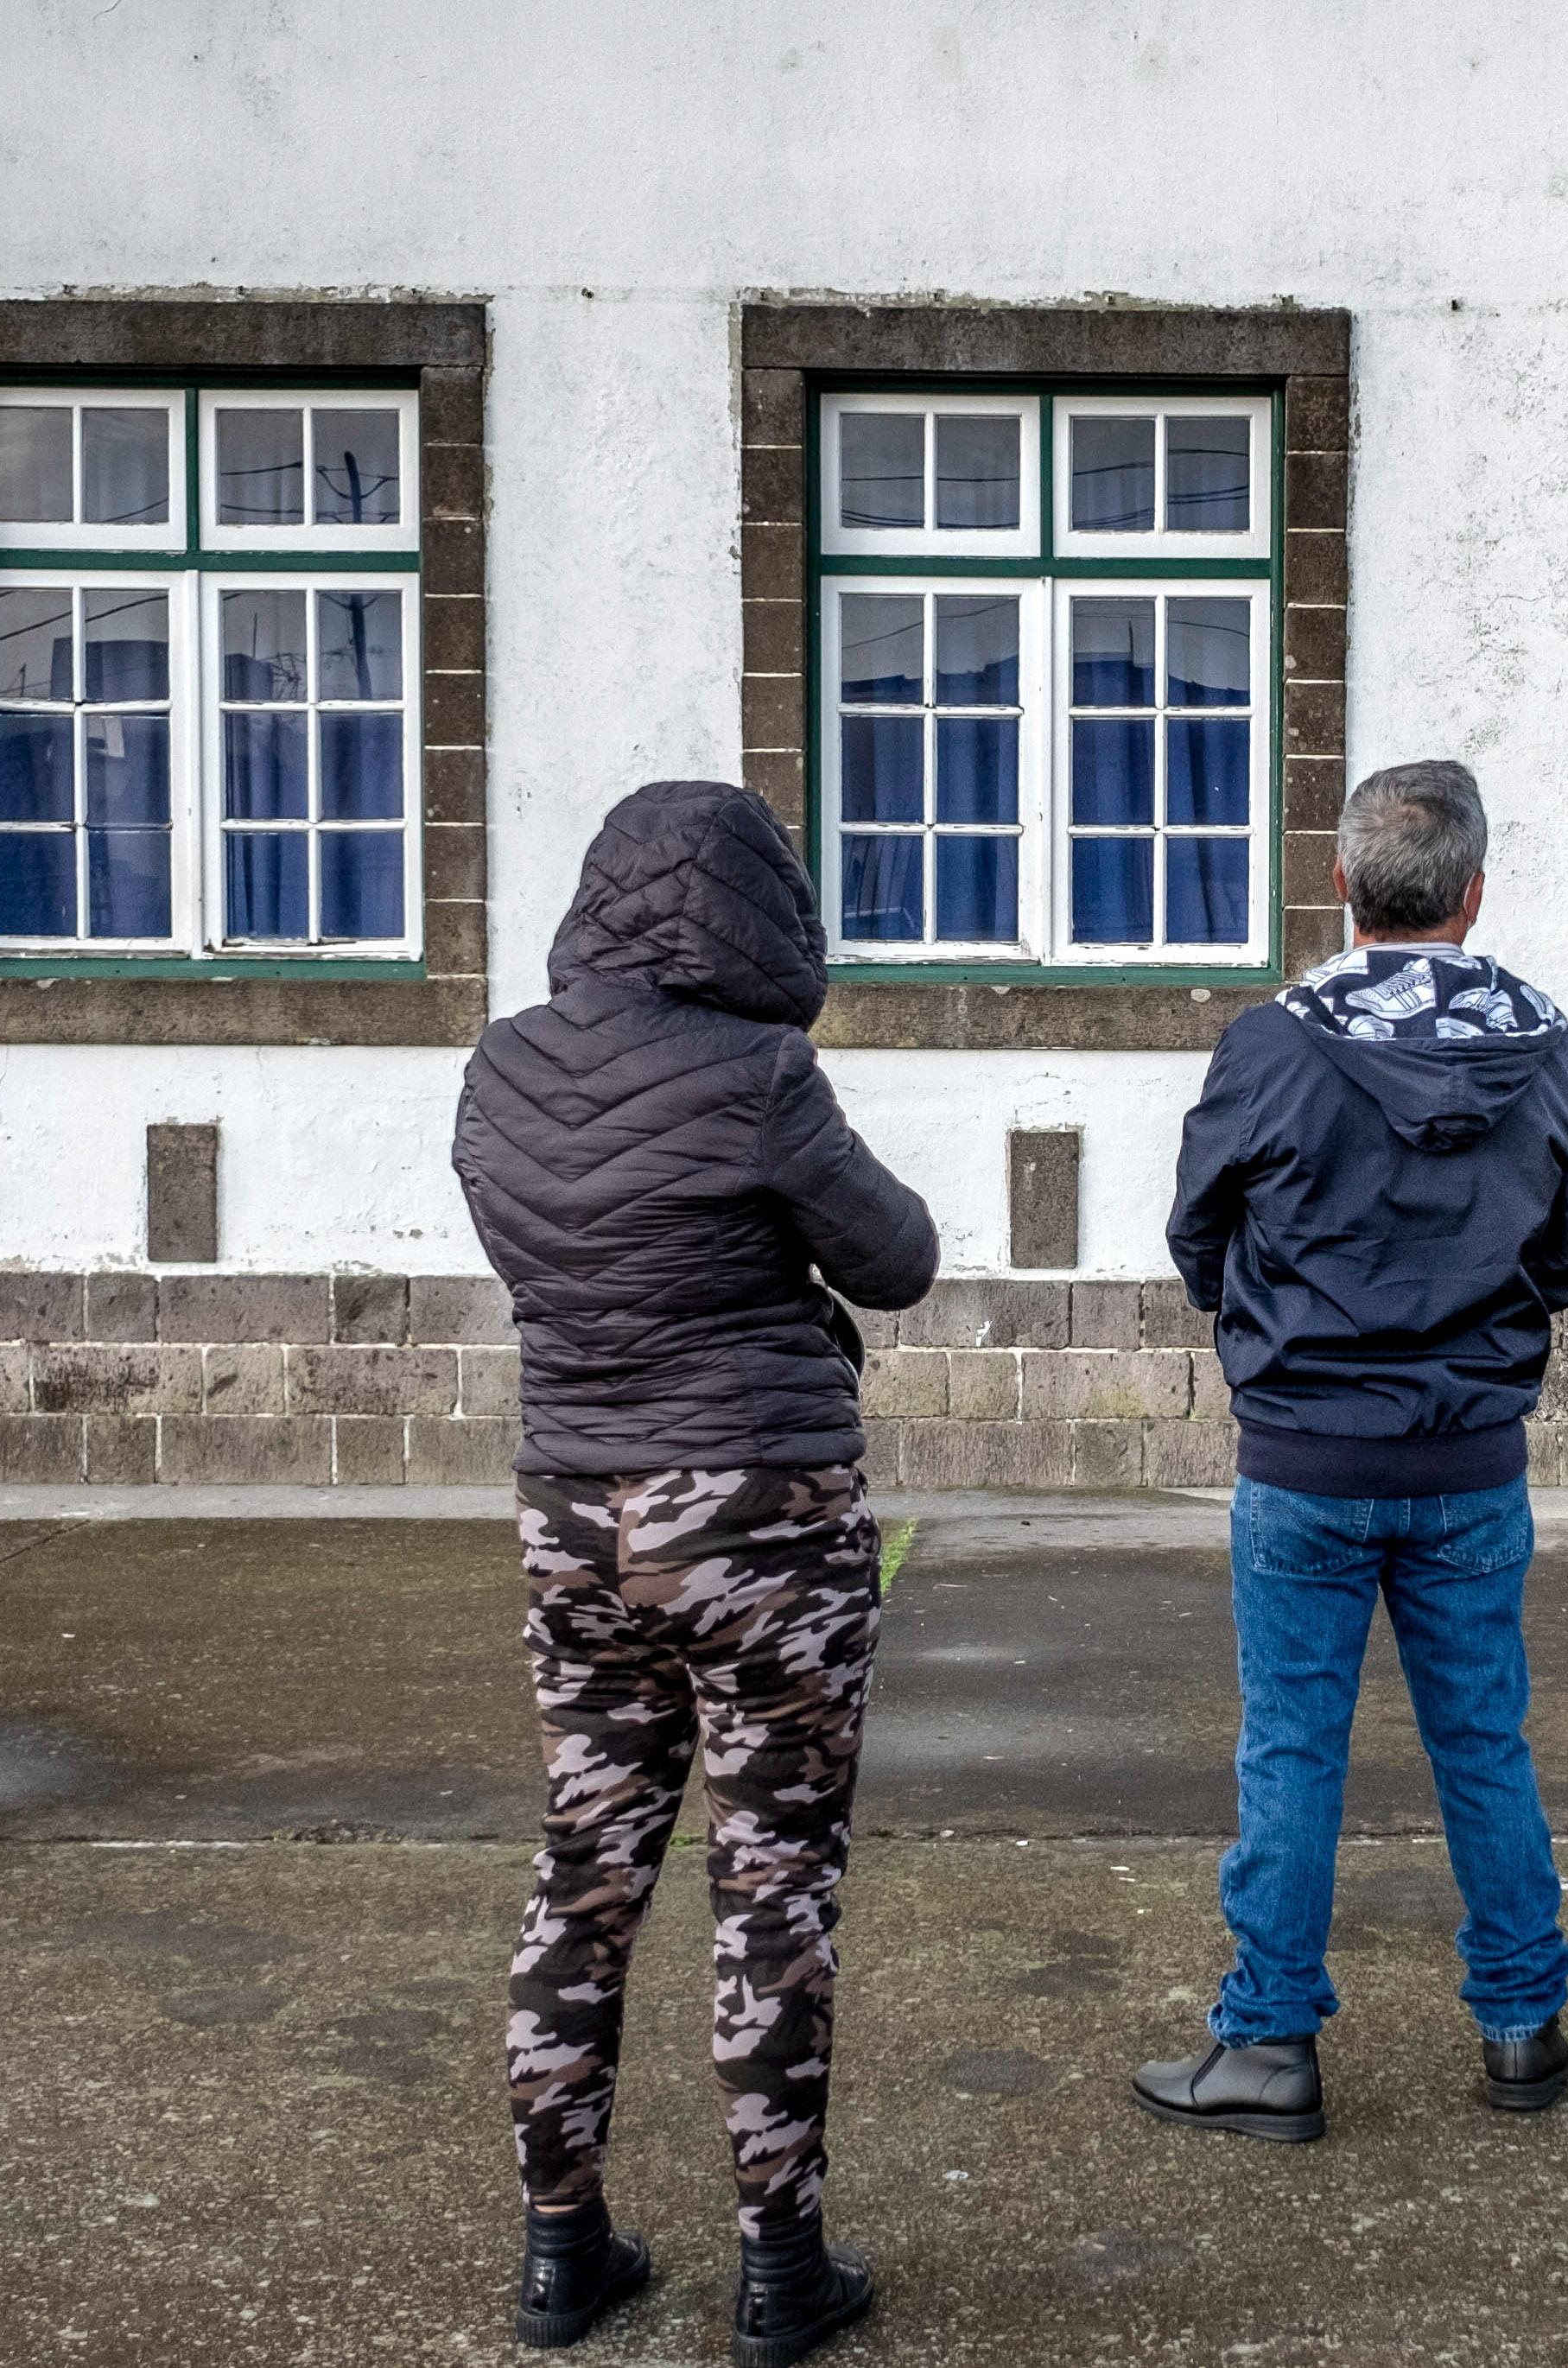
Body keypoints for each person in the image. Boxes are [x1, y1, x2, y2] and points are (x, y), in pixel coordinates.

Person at [453, 781, 940, 2365]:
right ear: (753, 911)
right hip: (757, 1520)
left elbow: (537, 1250)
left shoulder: (501, 1065)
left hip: (571, 1511)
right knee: (771, 1881)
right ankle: (781, 2270)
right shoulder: (762, 1074)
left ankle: (561, 2252)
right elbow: (898, 1258)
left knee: (583, 1868)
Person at [1139, 759, 1568, 2142]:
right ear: (1475, 892)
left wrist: (1275, 1328)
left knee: (1292, 1749)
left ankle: (1270, 2040)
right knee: (1484, 1741)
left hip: (1307, 1459)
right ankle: (1520, 2023)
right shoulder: (1551, 1050)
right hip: (1469, 1458)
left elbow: (1197, 1232)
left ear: (1342, 880)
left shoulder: (1272, 1046)